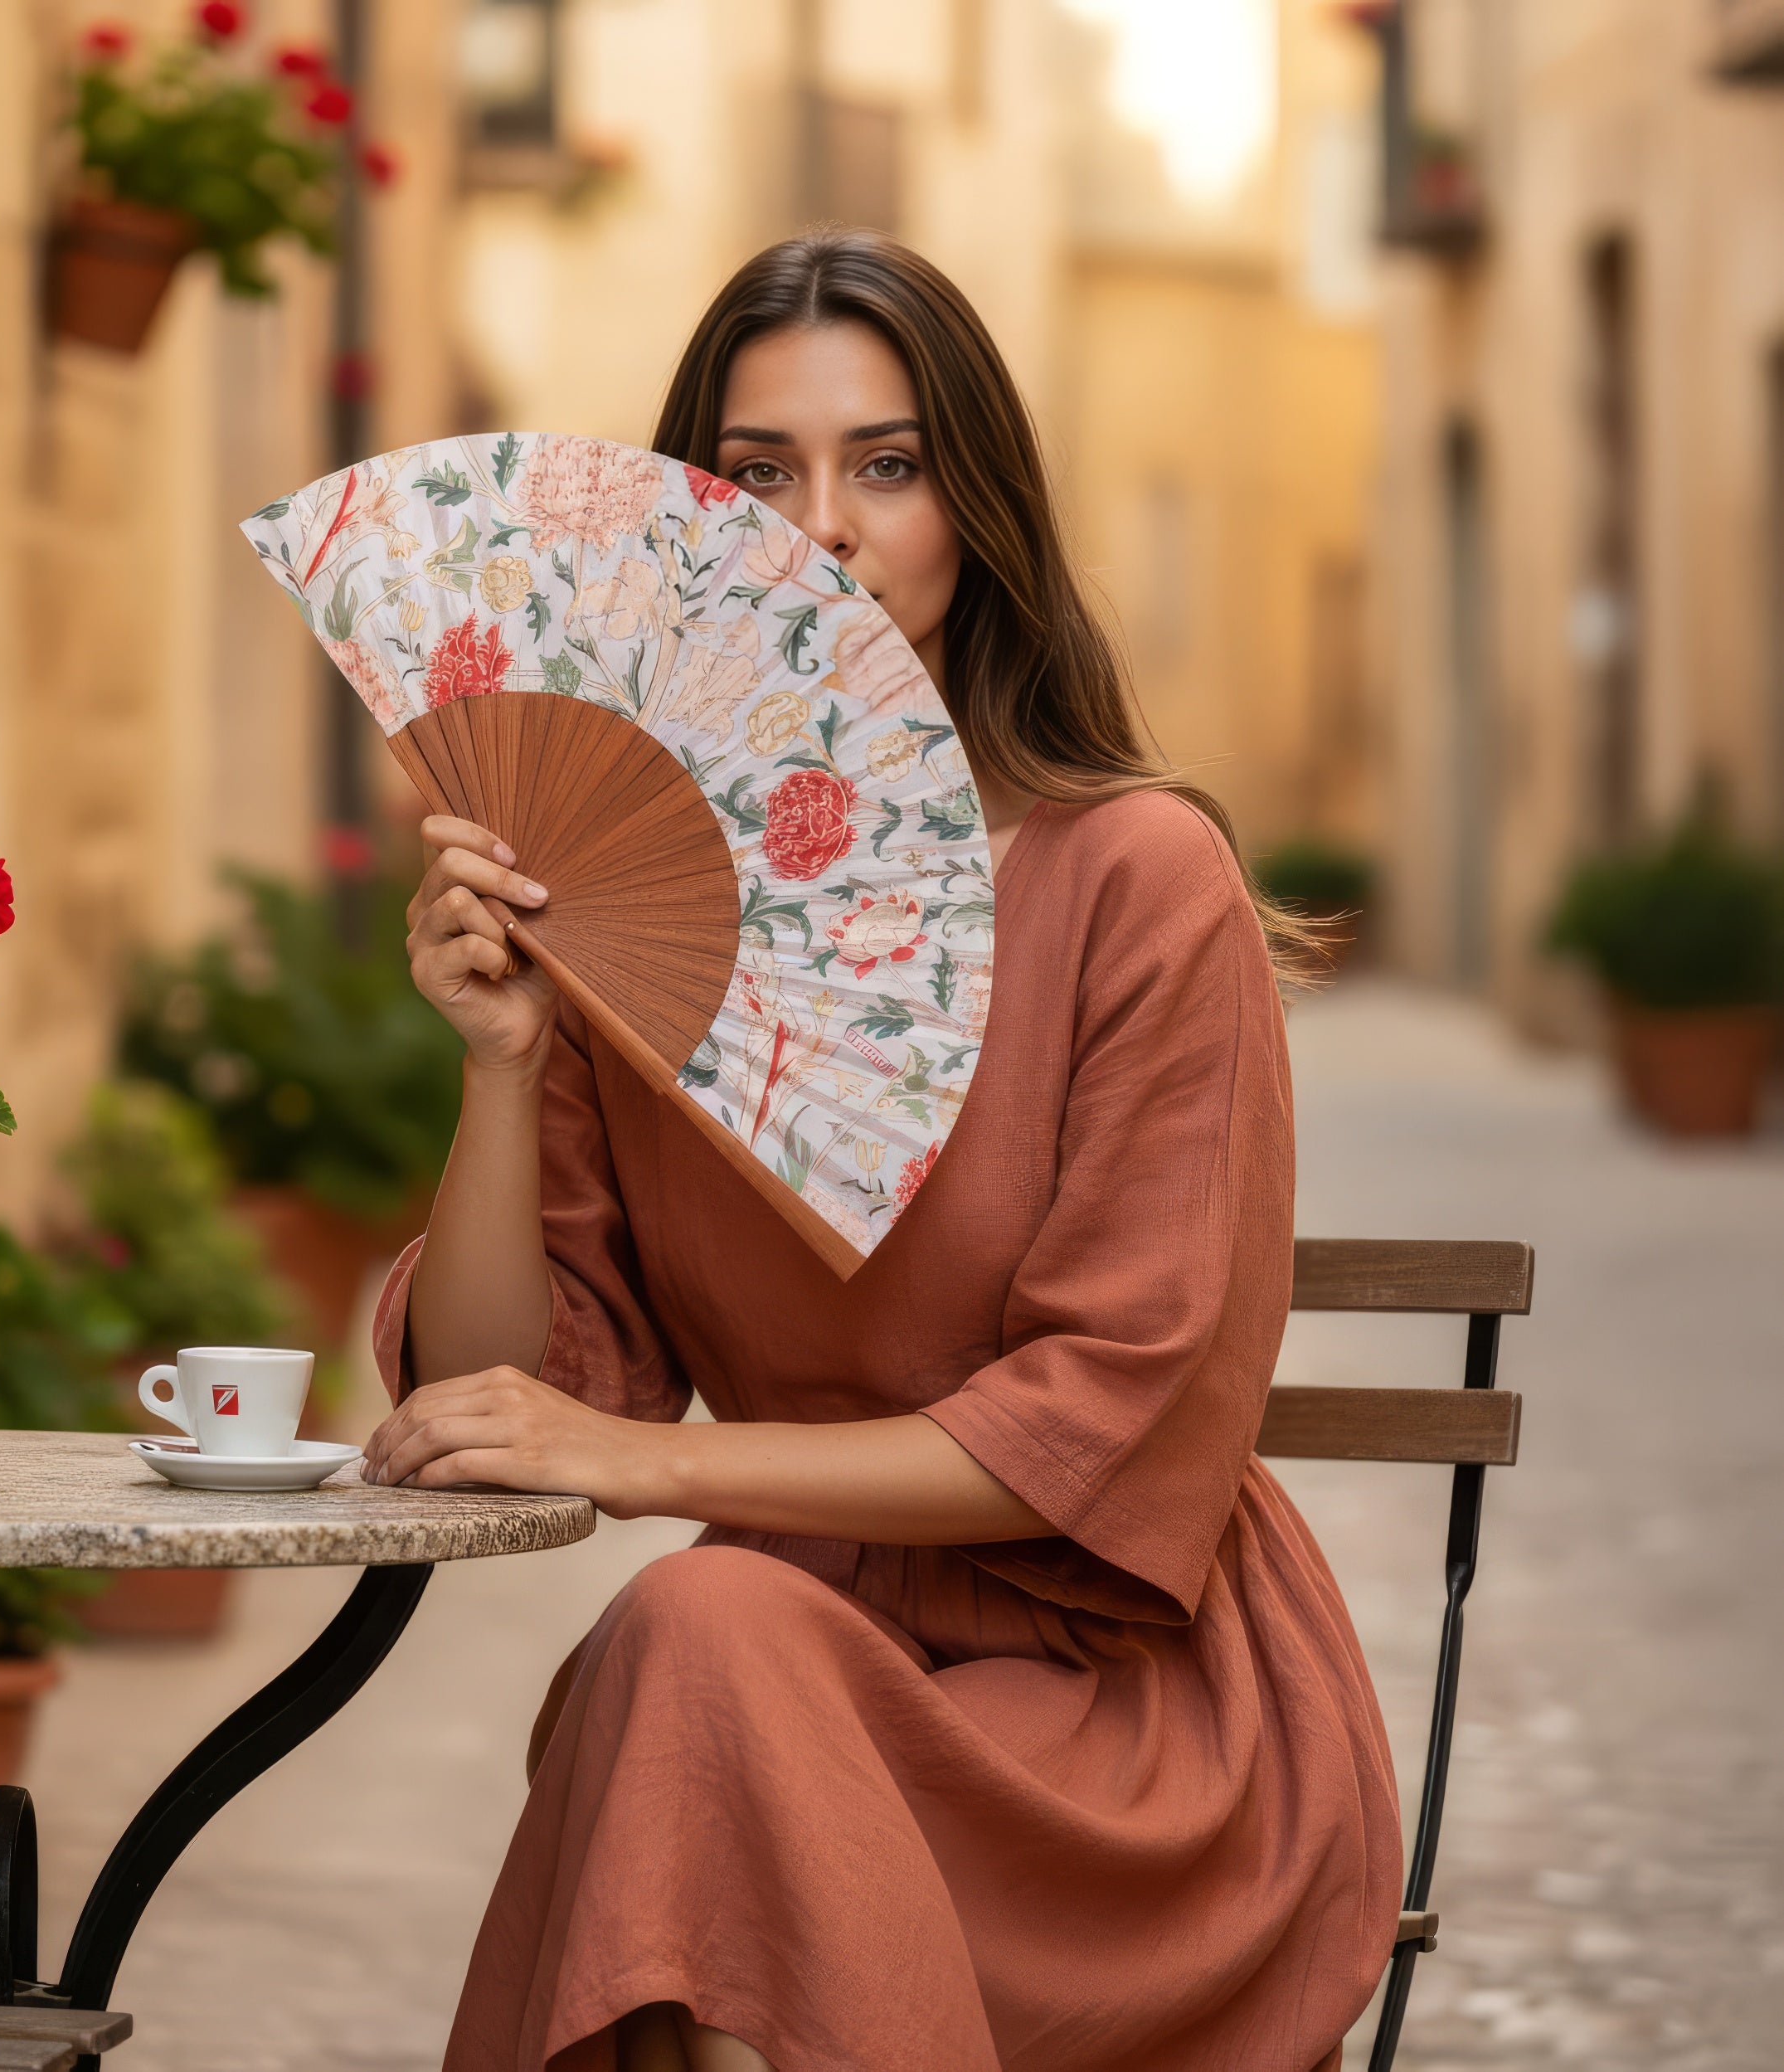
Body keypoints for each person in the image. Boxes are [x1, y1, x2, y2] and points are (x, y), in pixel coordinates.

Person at [364, 229, 1400, 2072]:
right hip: (770, 1685)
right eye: (759, 473)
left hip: (1113, 1734)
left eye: (888, 466)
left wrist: (638, 1465)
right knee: (698, 1657)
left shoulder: (1138, 880)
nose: (821, 529)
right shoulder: (635, 910)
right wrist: (504, 1065)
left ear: (972, 509)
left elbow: (1109, 1419)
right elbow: (496, 1391)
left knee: (687, 1648)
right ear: (692, 522)